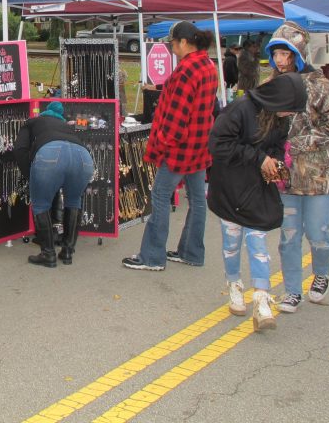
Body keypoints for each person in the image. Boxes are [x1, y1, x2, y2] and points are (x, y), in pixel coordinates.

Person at [208, 73, 307, 332]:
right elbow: (217, 145)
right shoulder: (239, 109)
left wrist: (275, 163)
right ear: (278, 99)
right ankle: (234, 286)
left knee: (258, 242)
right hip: (229, 186)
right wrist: (258, 158)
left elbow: (278, 147)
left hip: (256, 188)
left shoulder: (280, 118)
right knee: (231, 243)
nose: (290, 114)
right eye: (289, 108)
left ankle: (262, 301)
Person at [265, 22, 329, 313]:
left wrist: (301, 143)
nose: (279, 60)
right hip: (285, 179)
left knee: (318, 233)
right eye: (276, 54)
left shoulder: (321, 86)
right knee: (288, 237)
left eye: (285, 54)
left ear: (297, 53)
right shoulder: (272, 86)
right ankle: (292, 291)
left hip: (320, 177)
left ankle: (322, 273)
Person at [122, 21, 218, 271]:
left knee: (160, 196)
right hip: (199, 144)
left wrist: (162, 145)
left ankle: (152, 257)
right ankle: (192, 252)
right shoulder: (208, 65)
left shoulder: (186, 70)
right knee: (197, 199)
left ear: (184, 42)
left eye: (173, 43)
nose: (172, 48)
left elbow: (177, 117)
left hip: (180, 148)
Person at [12, 101, 95, 267]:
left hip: (50, 154)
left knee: (40, 204)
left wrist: (31, 176)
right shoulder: (66, 126)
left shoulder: (33, 122)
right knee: (74, 201)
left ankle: (48, 253)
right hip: (83, 157)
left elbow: (19, 149)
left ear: (44, 113)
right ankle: (68, 251)